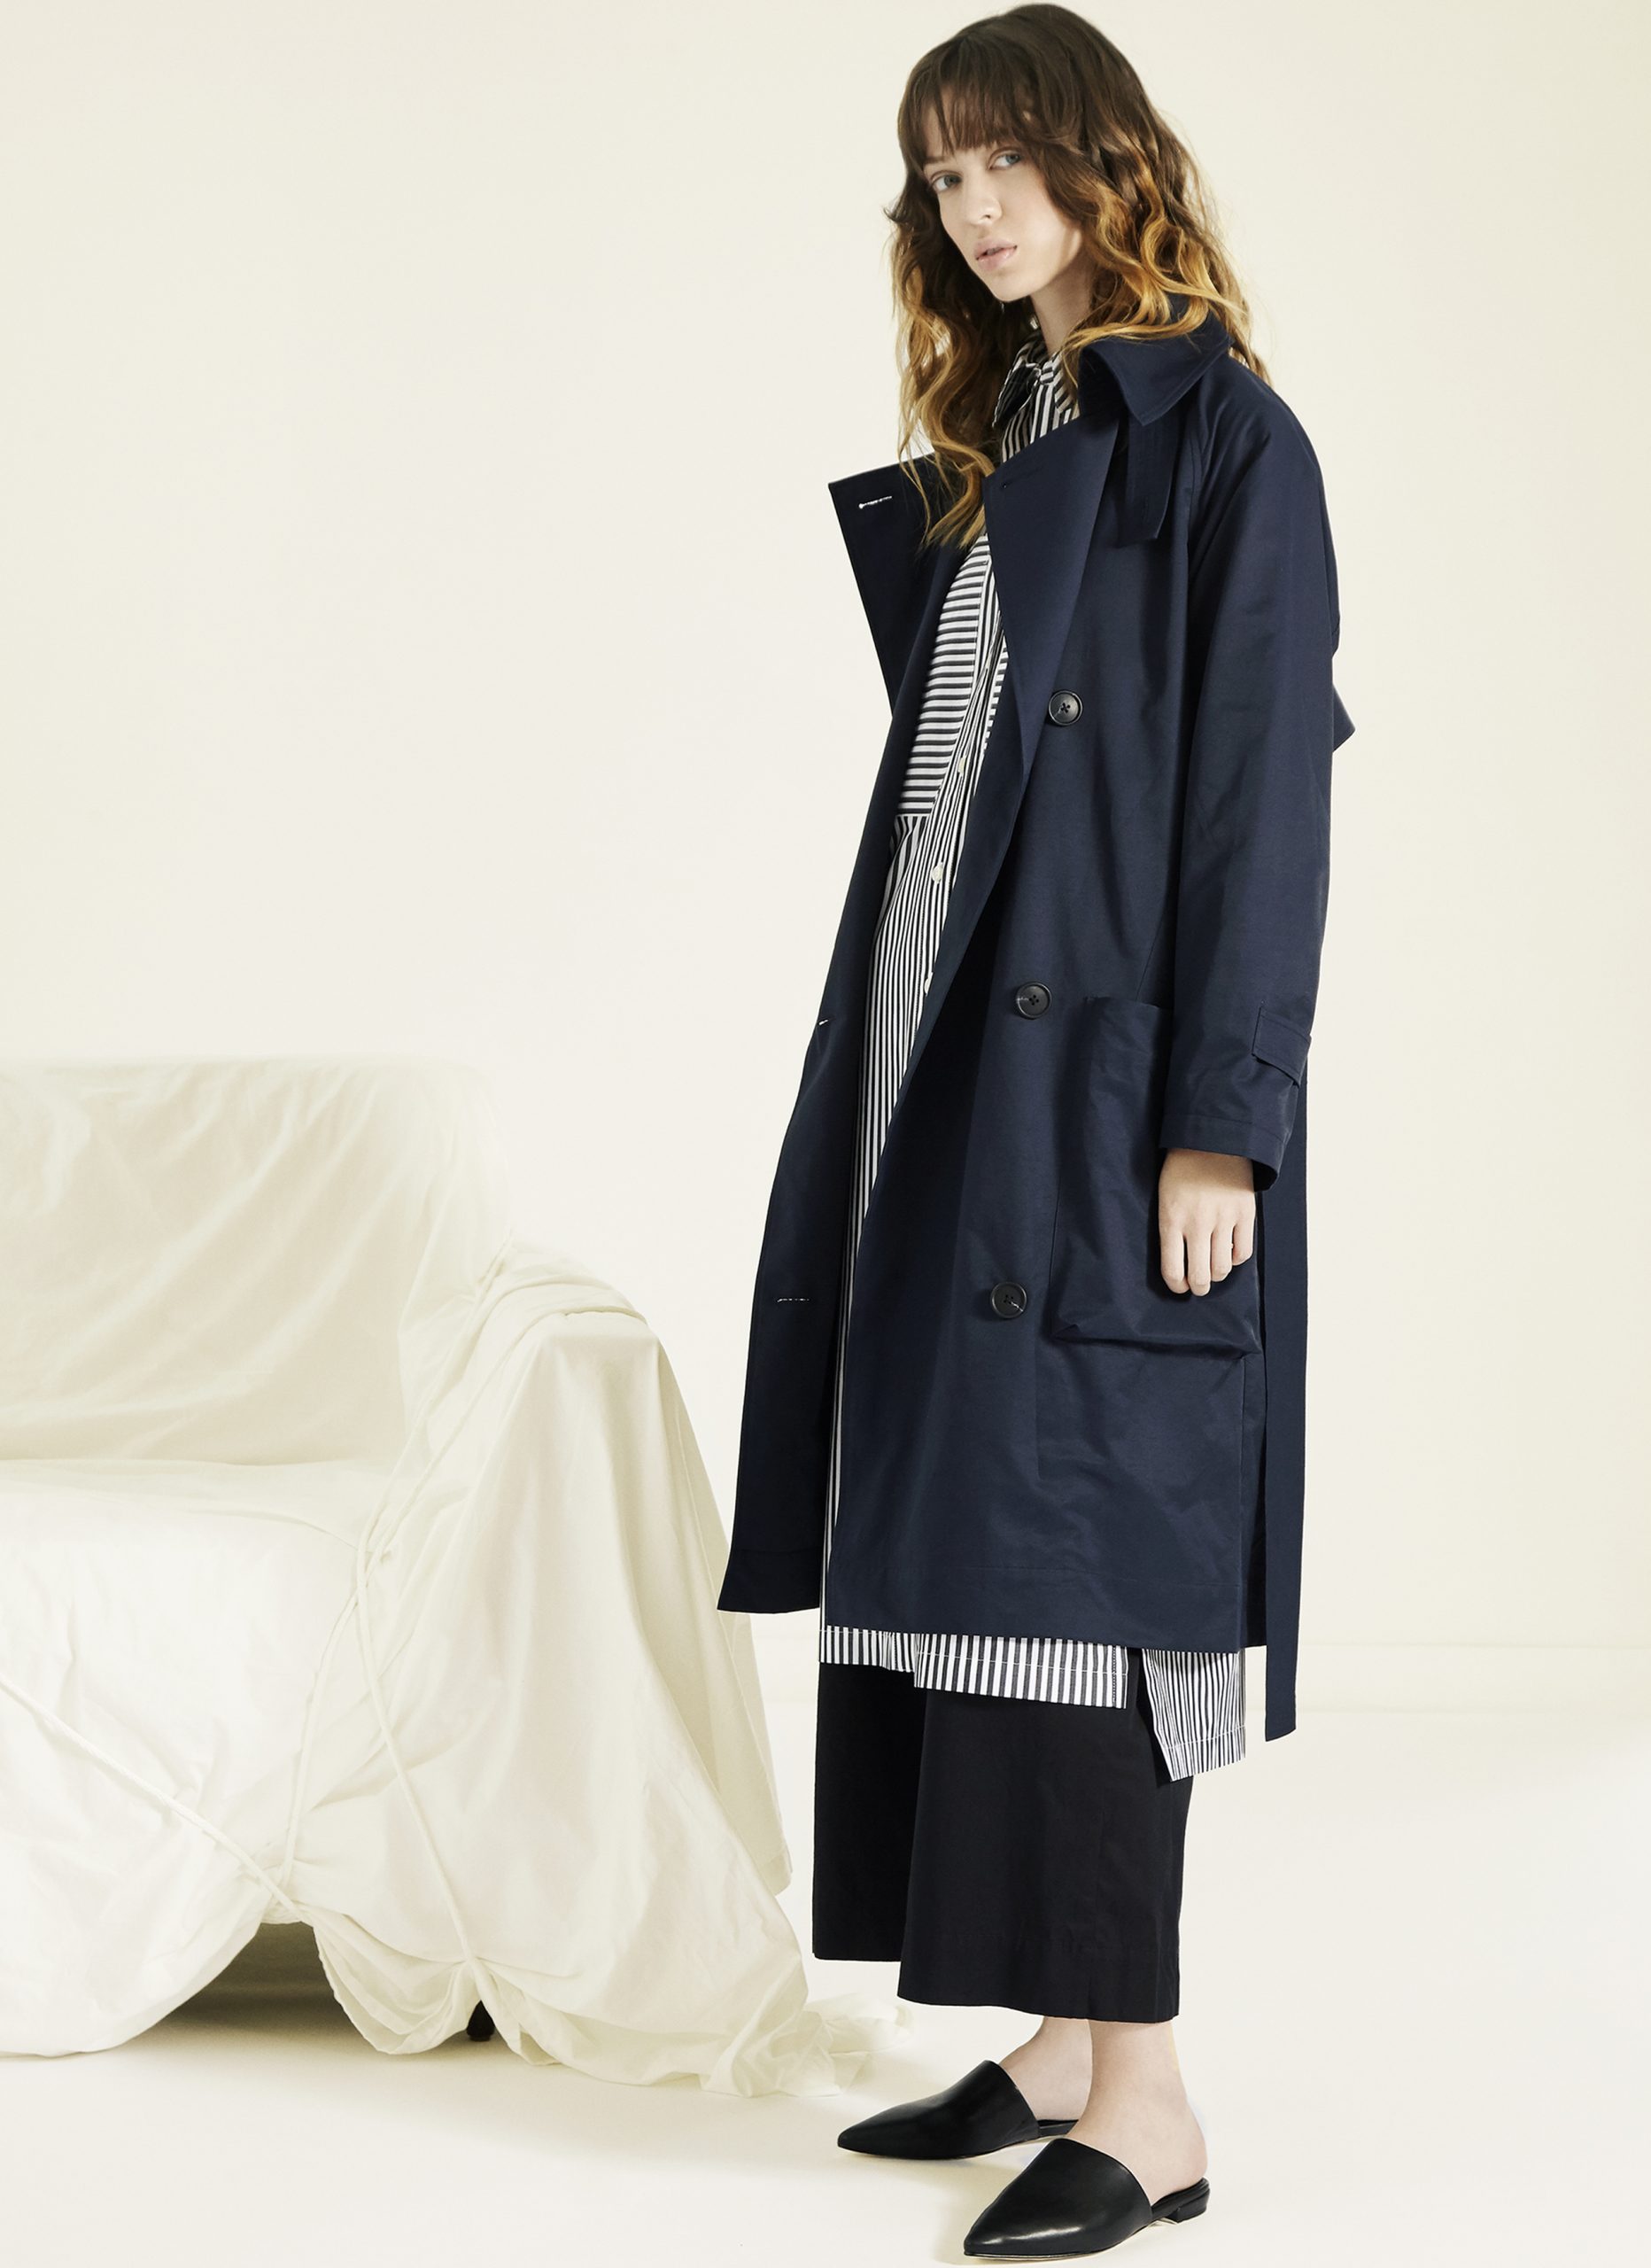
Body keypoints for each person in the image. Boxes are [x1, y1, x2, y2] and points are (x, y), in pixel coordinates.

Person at [717, 6, 1353, 2255]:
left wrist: (1220, 1130)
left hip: (1098, 1100)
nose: (975, 206)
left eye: (1005, 159)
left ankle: (1148, 2103)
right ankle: (1060, 2045)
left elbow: (1256, 806)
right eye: (940, 174)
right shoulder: (1013, 427)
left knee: (1085, 1567)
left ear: (1103, 158)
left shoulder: (1221, 443)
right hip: (943, 1074)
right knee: (971, 1551)